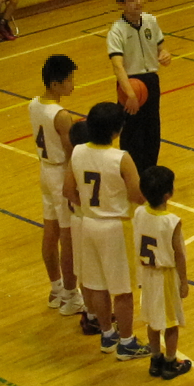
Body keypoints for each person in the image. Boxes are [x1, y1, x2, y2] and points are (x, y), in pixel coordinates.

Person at [63, 102, 151, 360]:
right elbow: (136, 195)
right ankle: (127, 342)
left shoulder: (78, 151)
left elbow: (68, 191)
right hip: (115, 227)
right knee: (122, 289)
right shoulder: (121, 158)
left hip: (89, 224)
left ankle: (107, 334)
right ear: (117, 130)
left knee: (97, 286)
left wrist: (90, 207)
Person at [28, 54, 84, 316]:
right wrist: (74, 185)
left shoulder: (33, 104)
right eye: (69, 80)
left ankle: (56, 289)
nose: (73, 84)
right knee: (67, 238)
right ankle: (71, 297)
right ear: (55, 84)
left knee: (49, 232)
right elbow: (71, 154)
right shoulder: (61, 115)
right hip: (61, 172)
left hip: (44, 170)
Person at [107, 0, 172, 175]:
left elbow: (161, 47)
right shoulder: (116, 31)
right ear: (121, 3)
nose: (137, 2)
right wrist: (130, 94)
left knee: (152, 130)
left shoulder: (151, 21)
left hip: (151, 81)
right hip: (130, 84)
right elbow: (118, 66)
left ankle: (150, 172)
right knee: (132, 133)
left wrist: (165, 54)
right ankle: (132, 175)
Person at [134, 166, 192, 380]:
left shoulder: (139, 212)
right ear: (168, 193)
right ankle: (170, 362)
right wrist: (184, 281)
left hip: (147, 274)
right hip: (165, 275)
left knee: (152, 319)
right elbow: (179, 254)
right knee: (171, 321)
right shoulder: (171, 221)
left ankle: (155, 359)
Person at [67, 120, 102, 335]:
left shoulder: (74, 159)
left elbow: (67, 191)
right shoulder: (92, 161)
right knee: (95, 275)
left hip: (77, 218)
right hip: (89, 219)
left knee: (84, 272)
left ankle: (90, 313)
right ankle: (95, 316)